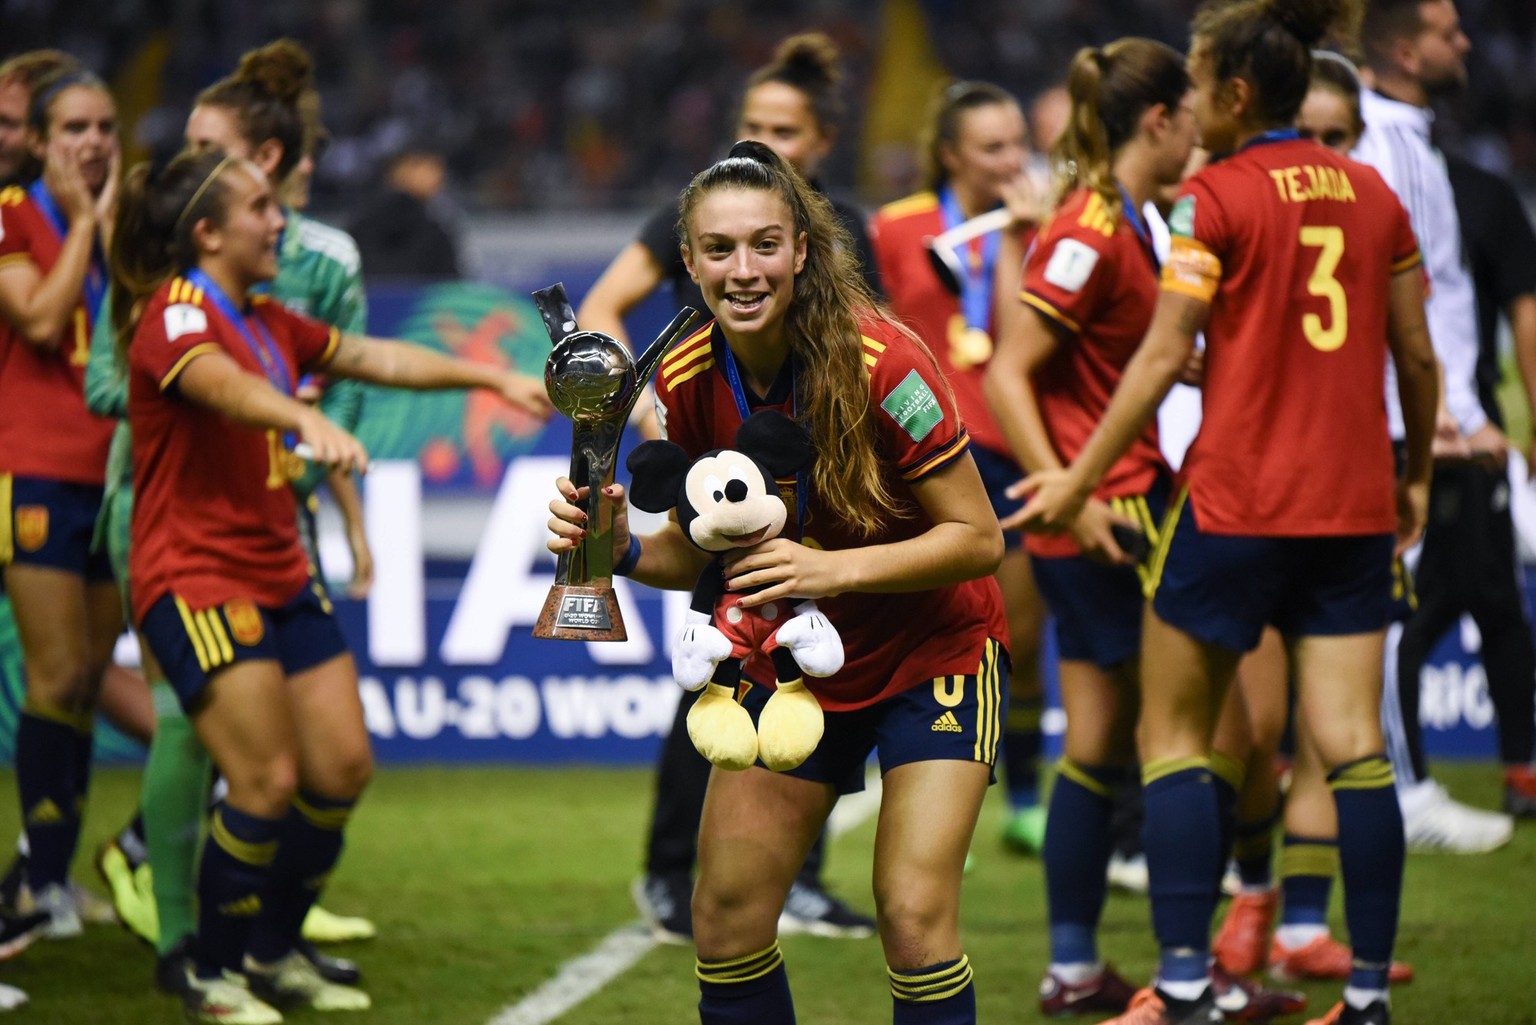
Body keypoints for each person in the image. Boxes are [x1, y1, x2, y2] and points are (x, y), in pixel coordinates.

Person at [1017, 1, 1439, 1022]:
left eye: (1201, 83)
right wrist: (1413, 474)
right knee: (1351, 744)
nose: (1191, 102)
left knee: (1173, 738)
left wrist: (1072, 481)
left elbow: (1164, 355)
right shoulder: (1375, 194)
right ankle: (1371, 995)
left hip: (1235, 503)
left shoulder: (1211, 199)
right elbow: (1416, 356)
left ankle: (1181, 983)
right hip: (1350, 508)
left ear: (1238, 93)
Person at [548, 140, 1008, 1025]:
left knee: (912, 917)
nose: (743, 269)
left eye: (765, 244)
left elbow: (977, 537)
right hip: (792, 661)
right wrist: (619, 549)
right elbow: (698, 551)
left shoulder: (886, 363)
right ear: (688, 262)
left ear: (803, 248)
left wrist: (831, 569)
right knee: (722, 916)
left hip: (934, 650)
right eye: (719, 250)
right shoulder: (681, 376)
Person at [111, 146, 549, 1023]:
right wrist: (303, 415)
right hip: (195, 579)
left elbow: (381, 359)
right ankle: (211, 968)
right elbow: (224, 390)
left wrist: (493, 375)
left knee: (341, 765)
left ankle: (273, 949)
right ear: (208, 231)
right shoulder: (175, 315)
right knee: (264, 779)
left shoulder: (269, 317)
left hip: (278, 570)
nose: (280, 221)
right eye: (262, 207)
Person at [87, 39, 378, 994]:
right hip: (172, 527)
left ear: (271, 164)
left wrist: (327, 475)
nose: (190, 162)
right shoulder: (166, 300)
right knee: (209, 740)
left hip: (273, 530)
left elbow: (349, 380)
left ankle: (255, 942)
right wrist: (260, 411)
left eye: (214, 147)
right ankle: (185, 941)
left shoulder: (313, 269)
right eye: (193, 150)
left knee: (310, 762)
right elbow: (115, 383)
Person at [577, 31, 877, 945]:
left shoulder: (843, 229)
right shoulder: (694, 211)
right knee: (713, 666)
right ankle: (671, 874)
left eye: (782, 128)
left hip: (813, 479)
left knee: (811, 671)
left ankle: (801, 876)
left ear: (820, 142)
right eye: (750, 123)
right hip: (714, 479)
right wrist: (646, 413)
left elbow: (868, 347)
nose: (760, 140)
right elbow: (599, 307)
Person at [983, 39, 1194, 1016]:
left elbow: (1105, 358)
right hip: (1114, 515)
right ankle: (1192, 971)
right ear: (1158, 119)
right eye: (1188, 110)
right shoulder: (1093, 226)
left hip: (1117, 503)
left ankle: (1077, 965)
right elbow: (1007, 369)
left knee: (1099, 743)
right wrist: (1067, 487)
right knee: (1182, 736)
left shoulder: (1133, 222)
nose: (1198, 126)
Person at [1214, 54, 1411, 989]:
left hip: (1335, 486)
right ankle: (1253, 890)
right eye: (1317, 133)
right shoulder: (1232, 201)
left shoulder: (1358, 206)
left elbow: (1405, 350)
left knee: (1337, 732)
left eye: (1344, 138)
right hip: (1248, 492)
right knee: (1252, 728)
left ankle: (1298, 922)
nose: (1327, 153)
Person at [1353, 0, 1519, 855]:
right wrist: (1449, 418)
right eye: (1451, 33)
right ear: (1410, 52)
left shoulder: (1385, 139)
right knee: (1380, 614)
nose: (1467, 45)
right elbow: (1421, 299)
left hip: (1389, 418)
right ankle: (1404, 789)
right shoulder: (1400, 150)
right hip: (1400, 426)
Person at [869, 79, 1051, 855]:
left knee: (1019, 640)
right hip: (922, 456)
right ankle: (930, 799)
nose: (1013, 159)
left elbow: (1020, 345)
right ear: (949, 155)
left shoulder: (1047, 228)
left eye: (1018, 141)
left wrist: (1024, 235)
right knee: (922, 637)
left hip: (1012, 450)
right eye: (992, 146)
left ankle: (1030, 799)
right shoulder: (895, 228)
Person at [0, 61, 122, 938]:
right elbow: (42, 319)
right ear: (39, 142)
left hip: (111, 474)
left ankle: (51, 873)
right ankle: (41, 880)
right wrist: (84, 223)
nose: (93, 144)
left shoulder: (128, 229)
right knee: (53, 675)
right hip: (34, 469)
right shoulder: (10, 215)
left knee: (84, 676)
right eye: (74, 129)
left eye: (106, 128)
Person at [346, 146, 461, 279]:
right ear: (402, 169)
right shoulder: (426, 229)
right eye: (431, 167)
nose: (440, 176)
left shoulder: (360, 219)